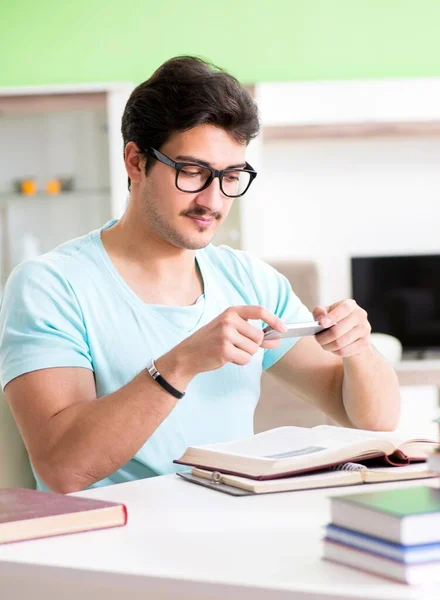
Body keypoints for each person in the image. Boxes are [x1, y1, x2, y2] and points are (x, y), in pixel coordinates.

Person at [0, 56, 400, 494]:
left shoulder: (249, 279)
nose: (213, 200)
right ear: (136, 162)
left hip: (228, 537)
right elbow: (62, 468)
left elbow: (371, 421)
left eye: (231, 176)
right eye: (192, 172)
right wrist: (181, 362)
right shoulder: (50, 285)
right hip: (107, 545)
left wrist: (359, 349)